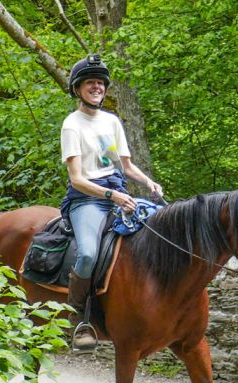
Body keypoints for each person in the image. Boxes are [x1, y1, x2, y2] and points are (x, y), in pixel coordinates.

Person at [60, 54, 163, 351]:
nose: (97, 87)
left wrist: (148, 183)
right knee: (89, 255)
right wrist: (111, 195)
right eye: (90, 82)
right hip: (88, 200)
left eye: (100, 83)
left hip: (120, 194)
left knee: (160, 234)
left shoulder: (112, 122)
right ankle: (78, 318)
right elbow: (77, 179)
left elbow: (126, 167)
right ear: (78, 88)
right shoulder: (72, 125)